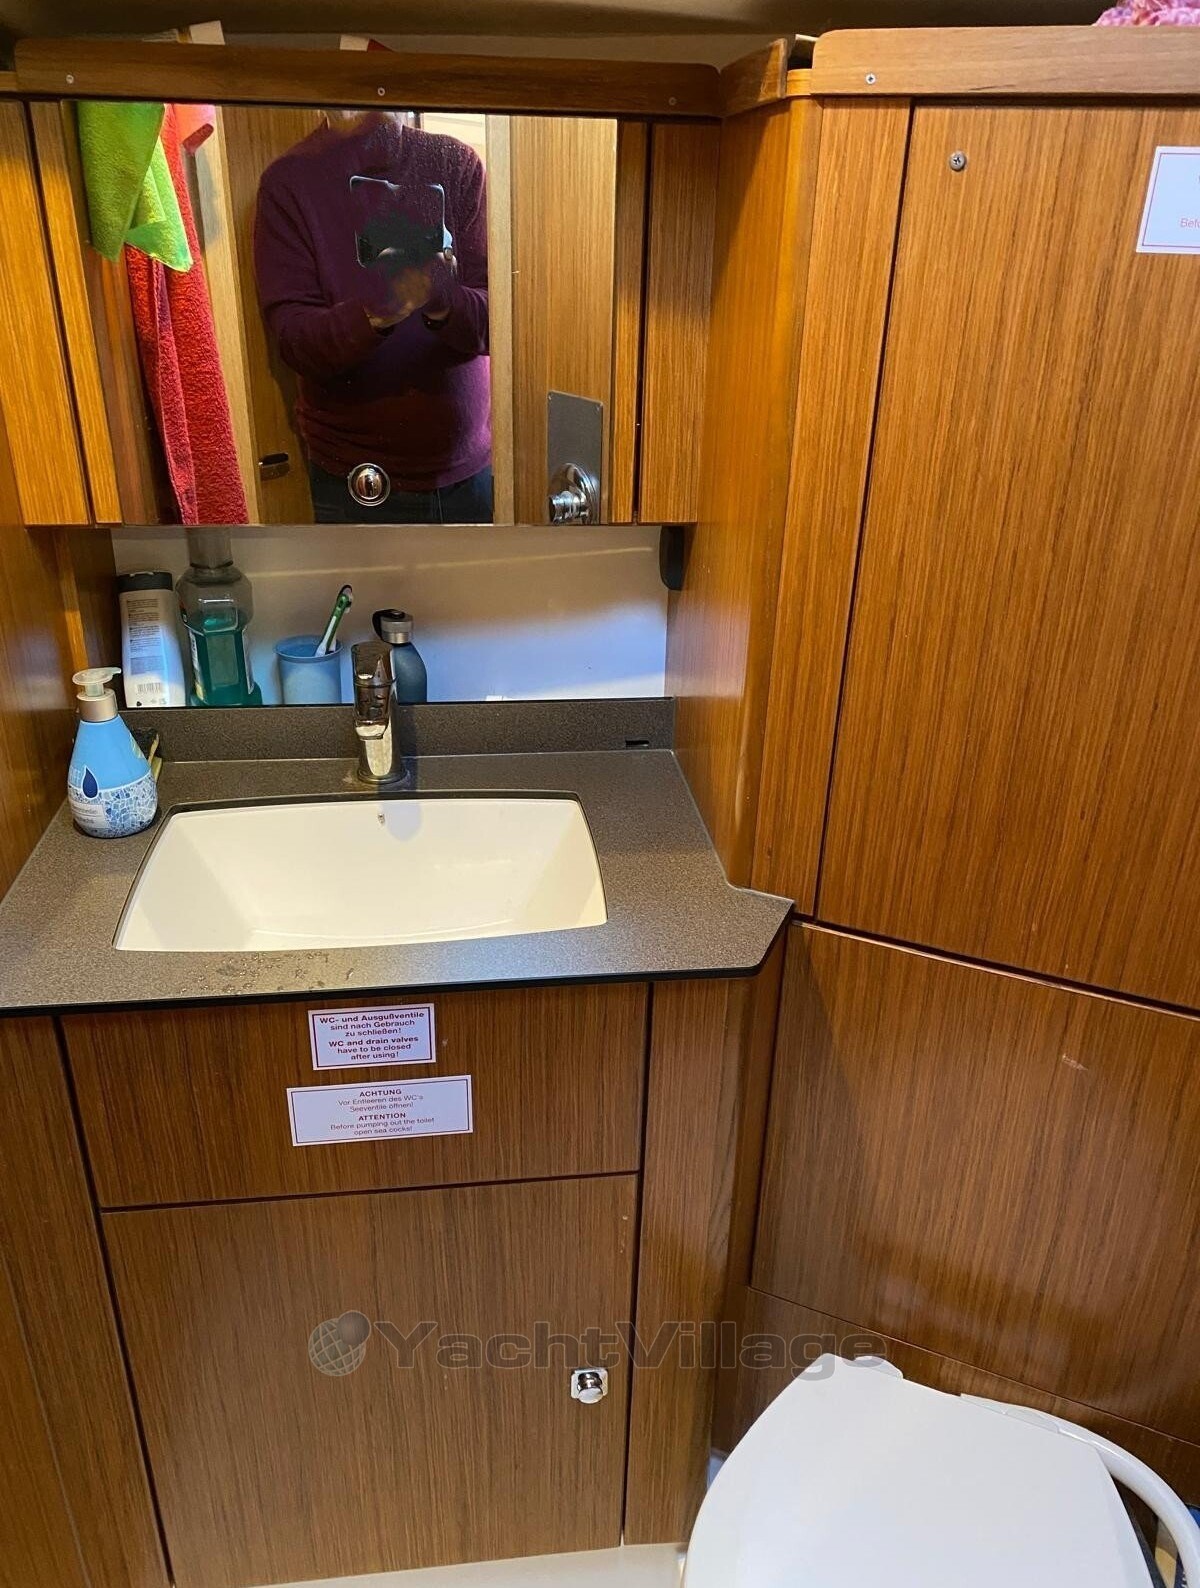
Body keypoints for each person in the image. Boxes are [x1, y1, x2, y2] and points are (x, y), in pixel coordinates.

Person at [254, 111, 491, 524]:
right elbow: (294, 343)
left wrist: (442, 300)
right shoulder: (288, 183)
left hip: (466, 472)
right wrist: (377, 312)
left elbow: (498, 324)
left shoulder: (457, 163)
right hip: (352, 477)